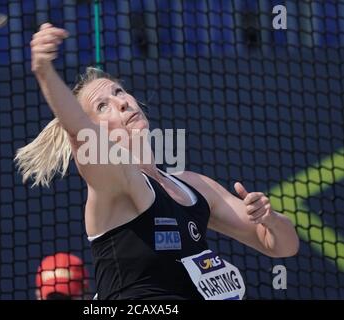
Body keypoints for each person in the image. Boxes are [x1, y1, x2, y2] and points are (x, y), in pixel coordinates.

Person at [15, 23, 299, 300]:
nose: (122, 103)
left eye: (118, 92)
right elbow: (77, 129)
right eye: (102, 106)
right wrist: (44, 71)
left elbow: (282, 246)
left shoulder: (192, 185)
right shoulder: (115, 180)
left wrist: (269, 219)